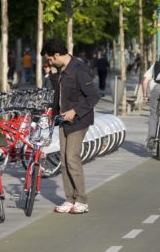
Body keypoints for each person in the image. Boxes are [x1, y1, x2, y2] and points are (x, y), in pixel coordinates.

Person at [41, 39, 100, 214]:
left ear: (57, 55)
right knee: (65, 161)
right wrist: (51, 74)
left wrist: (75, 111)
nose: (50, 62)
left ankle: (81, 200)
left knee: (72, 157)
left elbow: (93, 96)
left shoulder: (78, 69)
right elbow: (59, 92)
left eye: (50, 59)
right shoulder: (62, 70)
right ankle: (70, 199)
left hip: (79, 120)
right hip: (63, 119)